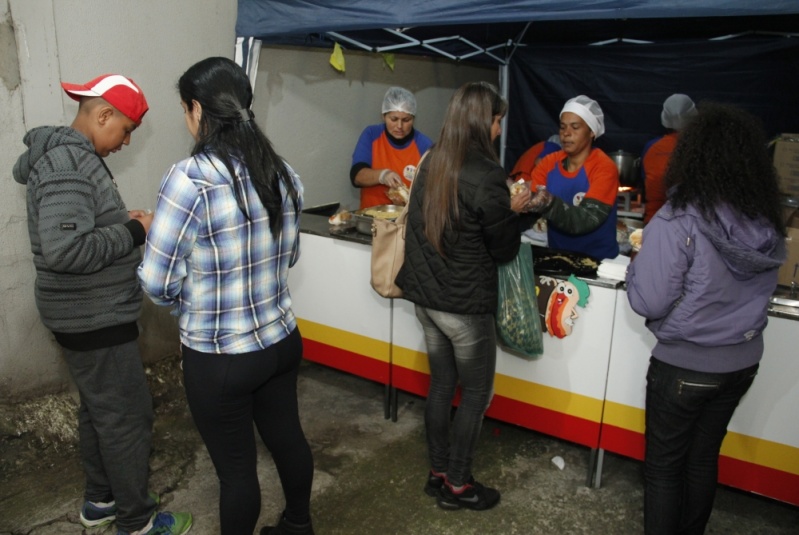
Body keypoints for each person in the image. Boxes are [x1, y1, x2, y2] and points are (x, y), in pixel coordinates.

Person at [137, 57, 313, 535]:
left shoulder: (189, 179)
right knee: (288, 440)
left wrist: (190, 303)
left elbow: (156, 282)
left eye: (184, 109)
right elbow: (290, 255)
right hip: (280, 342)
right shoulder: (284, 173)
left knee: (236, 473)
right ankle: (299, 526)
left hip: (221, 356)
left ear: (197, 110)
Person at [12, 75, 192, 534]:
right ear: (103, 114)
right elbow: (65, 249)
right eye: (126, 128)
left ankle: (101, 501)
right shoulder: (70, 163)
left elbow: (77, 225)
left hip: (85, 313)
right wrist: (136, 232)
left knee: (99, 410)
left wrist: (118, 218)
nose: (127, 141)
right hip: (92, 315)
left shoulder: (73, 160)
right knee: (127, 419)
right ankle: (137, 521)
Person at [625, 102, 786, 535]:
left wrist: (636, 263)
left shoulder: (679, 220)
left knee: (663, 469)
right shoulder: (765, 221)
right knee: (701, 460)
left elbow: (648, 301)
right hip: (741, 363)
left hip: (685, 367)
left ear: (691, 157)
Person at [395, 81, 529, 512]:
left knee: (441, 385)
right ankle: (457, 483)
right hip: (463, 306)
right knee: (475, 394)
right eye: (495, 121)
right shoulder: (488, 175)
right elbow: (502, 248)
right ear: (480, 122)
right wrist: (518, 212)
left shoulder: (432, 158)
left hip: (427, 300)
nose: (497, 130)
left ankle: (437, 472)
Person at [528, 95, 620, 260]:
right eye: (562, 127)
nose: (566, 134)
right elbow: (531, 198)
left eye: (575, 127)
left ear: (592, 131)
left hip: (598, 262)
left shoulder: (604, 168)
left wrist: (547, 202)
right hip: (558, 258)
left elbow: (584, 219)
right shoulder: (549, 163)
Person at [350, 86, 434, 209]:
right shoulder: (371, 135)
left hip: (406, 221)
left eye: (406, 120)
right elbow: (357, 176)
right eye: (393, 119)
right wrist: (382, 175)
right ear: (383, 116)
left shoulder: (424, 145)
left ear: (413, 119)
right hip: (371, 219)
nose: (399, 126)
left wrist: (407, 202)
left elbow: (433, 190)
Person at [640, 94, 697, 224]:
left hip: (655, 222)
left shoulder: (652, 148)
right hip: (692, 226)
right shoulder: (704, 148)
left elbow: (648, 183)